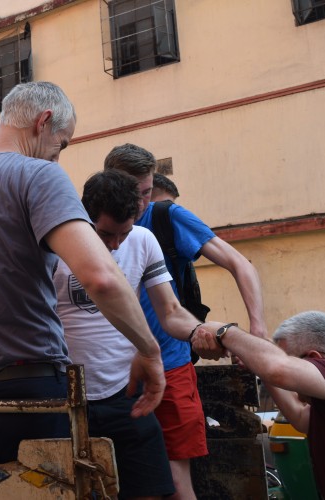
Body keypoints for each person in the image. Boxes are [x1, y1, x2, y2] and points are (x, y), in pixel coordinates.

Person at [0, 82, 164, 469]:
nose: (59, 156)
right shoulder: (40, 175)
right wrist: (149, 350)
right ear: (44, 122)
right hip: (27, 387)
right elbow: (101, 277)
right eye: (63, 143)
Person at [105, 143, 266, 499]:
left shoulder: (165, 218)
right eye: (134, 195)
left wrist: (258, 330)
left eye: (147, 192)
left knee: (178, 483)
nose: (141, 203)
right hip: (111, 373)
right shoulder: (92, 227)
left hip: (171, 364)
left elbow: (240, 263)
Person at [55, 171, 223, 499]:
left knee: (154, 490)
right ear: (84, 218)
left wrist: (202, 331)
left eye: (123, 233)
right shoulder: (57, 247)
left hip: (125, 392)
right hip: (64, 396)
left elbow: (170, 312)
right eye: (105, 235)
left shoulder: (143, 241)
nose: (116, 244)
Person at [192, 312, 325, 500]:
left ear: (316, 359)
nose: (288, 384)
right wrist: (255, 360)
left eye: (292, 362)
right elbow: (299, 416)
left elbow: (277, 368)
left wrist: (223, 331)